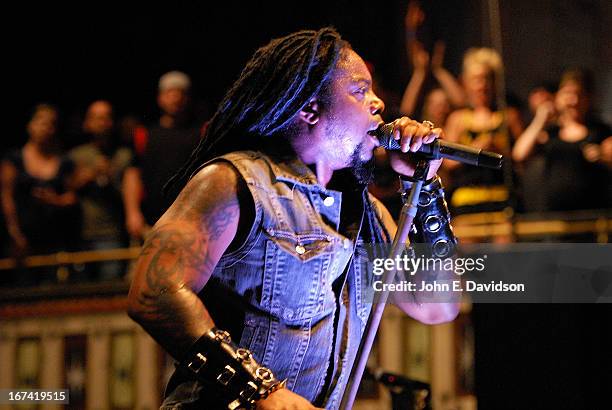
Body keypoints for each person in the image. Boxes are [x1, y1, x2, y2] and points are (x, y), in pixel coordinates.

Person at [127, 28, 458, 409]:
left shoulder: (368, 215)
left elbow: (439, 306)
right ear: (310, 108)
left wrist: (425, 184)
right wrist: (259, 390)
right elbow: (153, 292)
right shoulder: (233, 183)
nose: (378, 102)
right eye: (359, 90)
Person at [512, 69, 611, 212]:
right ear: (558, 97)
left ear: (589, 98)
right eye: (568, 94)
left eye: (579, 95)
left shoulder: (600, 130)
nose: (574, 101)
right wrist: (541, 118)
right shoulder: (551, 132)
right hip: (555, 217)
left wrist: (603, 156)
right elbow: (519, 154)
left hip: (591, 215)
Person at [1, 104, 79, 284]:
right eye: (41, 122)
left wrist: (56, 201)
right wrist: (15, 233)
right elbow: (6, 198)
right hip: (22, 241)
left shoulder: (64, 161)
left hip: (55, 240)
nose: (46, 128)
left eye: (51, 124)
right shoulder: (13, 159)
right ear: (30, 125)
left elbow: (73, 197)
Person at [442, 48, 523, 219]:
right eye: (476, 79)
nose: (482, 85)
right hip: (467, 199)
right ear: (466, 82)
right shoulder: (458, 119)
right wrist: (474, 149)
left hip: (502, 198)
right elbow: (447, 162)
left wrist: (498, 149)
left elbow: (522, 160)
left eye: (487, 79)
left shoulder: (508, 116)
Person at [122, 71, 202, 240]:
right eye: (170, 93)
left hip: (193, 223)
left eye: (180, 93)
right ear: (160, 98)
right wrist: (132, 213)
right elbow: (133, 174)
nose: (175, 98)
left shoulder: (202, 134)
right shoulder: (144, 135)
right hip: (151, 223)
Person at [69, 100, 132, 280]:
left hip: (111, 233)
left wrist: (111, 176)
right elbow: (66, 191)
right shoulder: (76, 156)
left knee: (109, 285)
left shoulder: (123, 156)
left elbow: (130, 195)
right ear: (87, 123)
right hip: (81, 233)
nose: (101, 122)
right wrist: (87, 176)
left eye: (106, 117)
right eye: (96, 118)